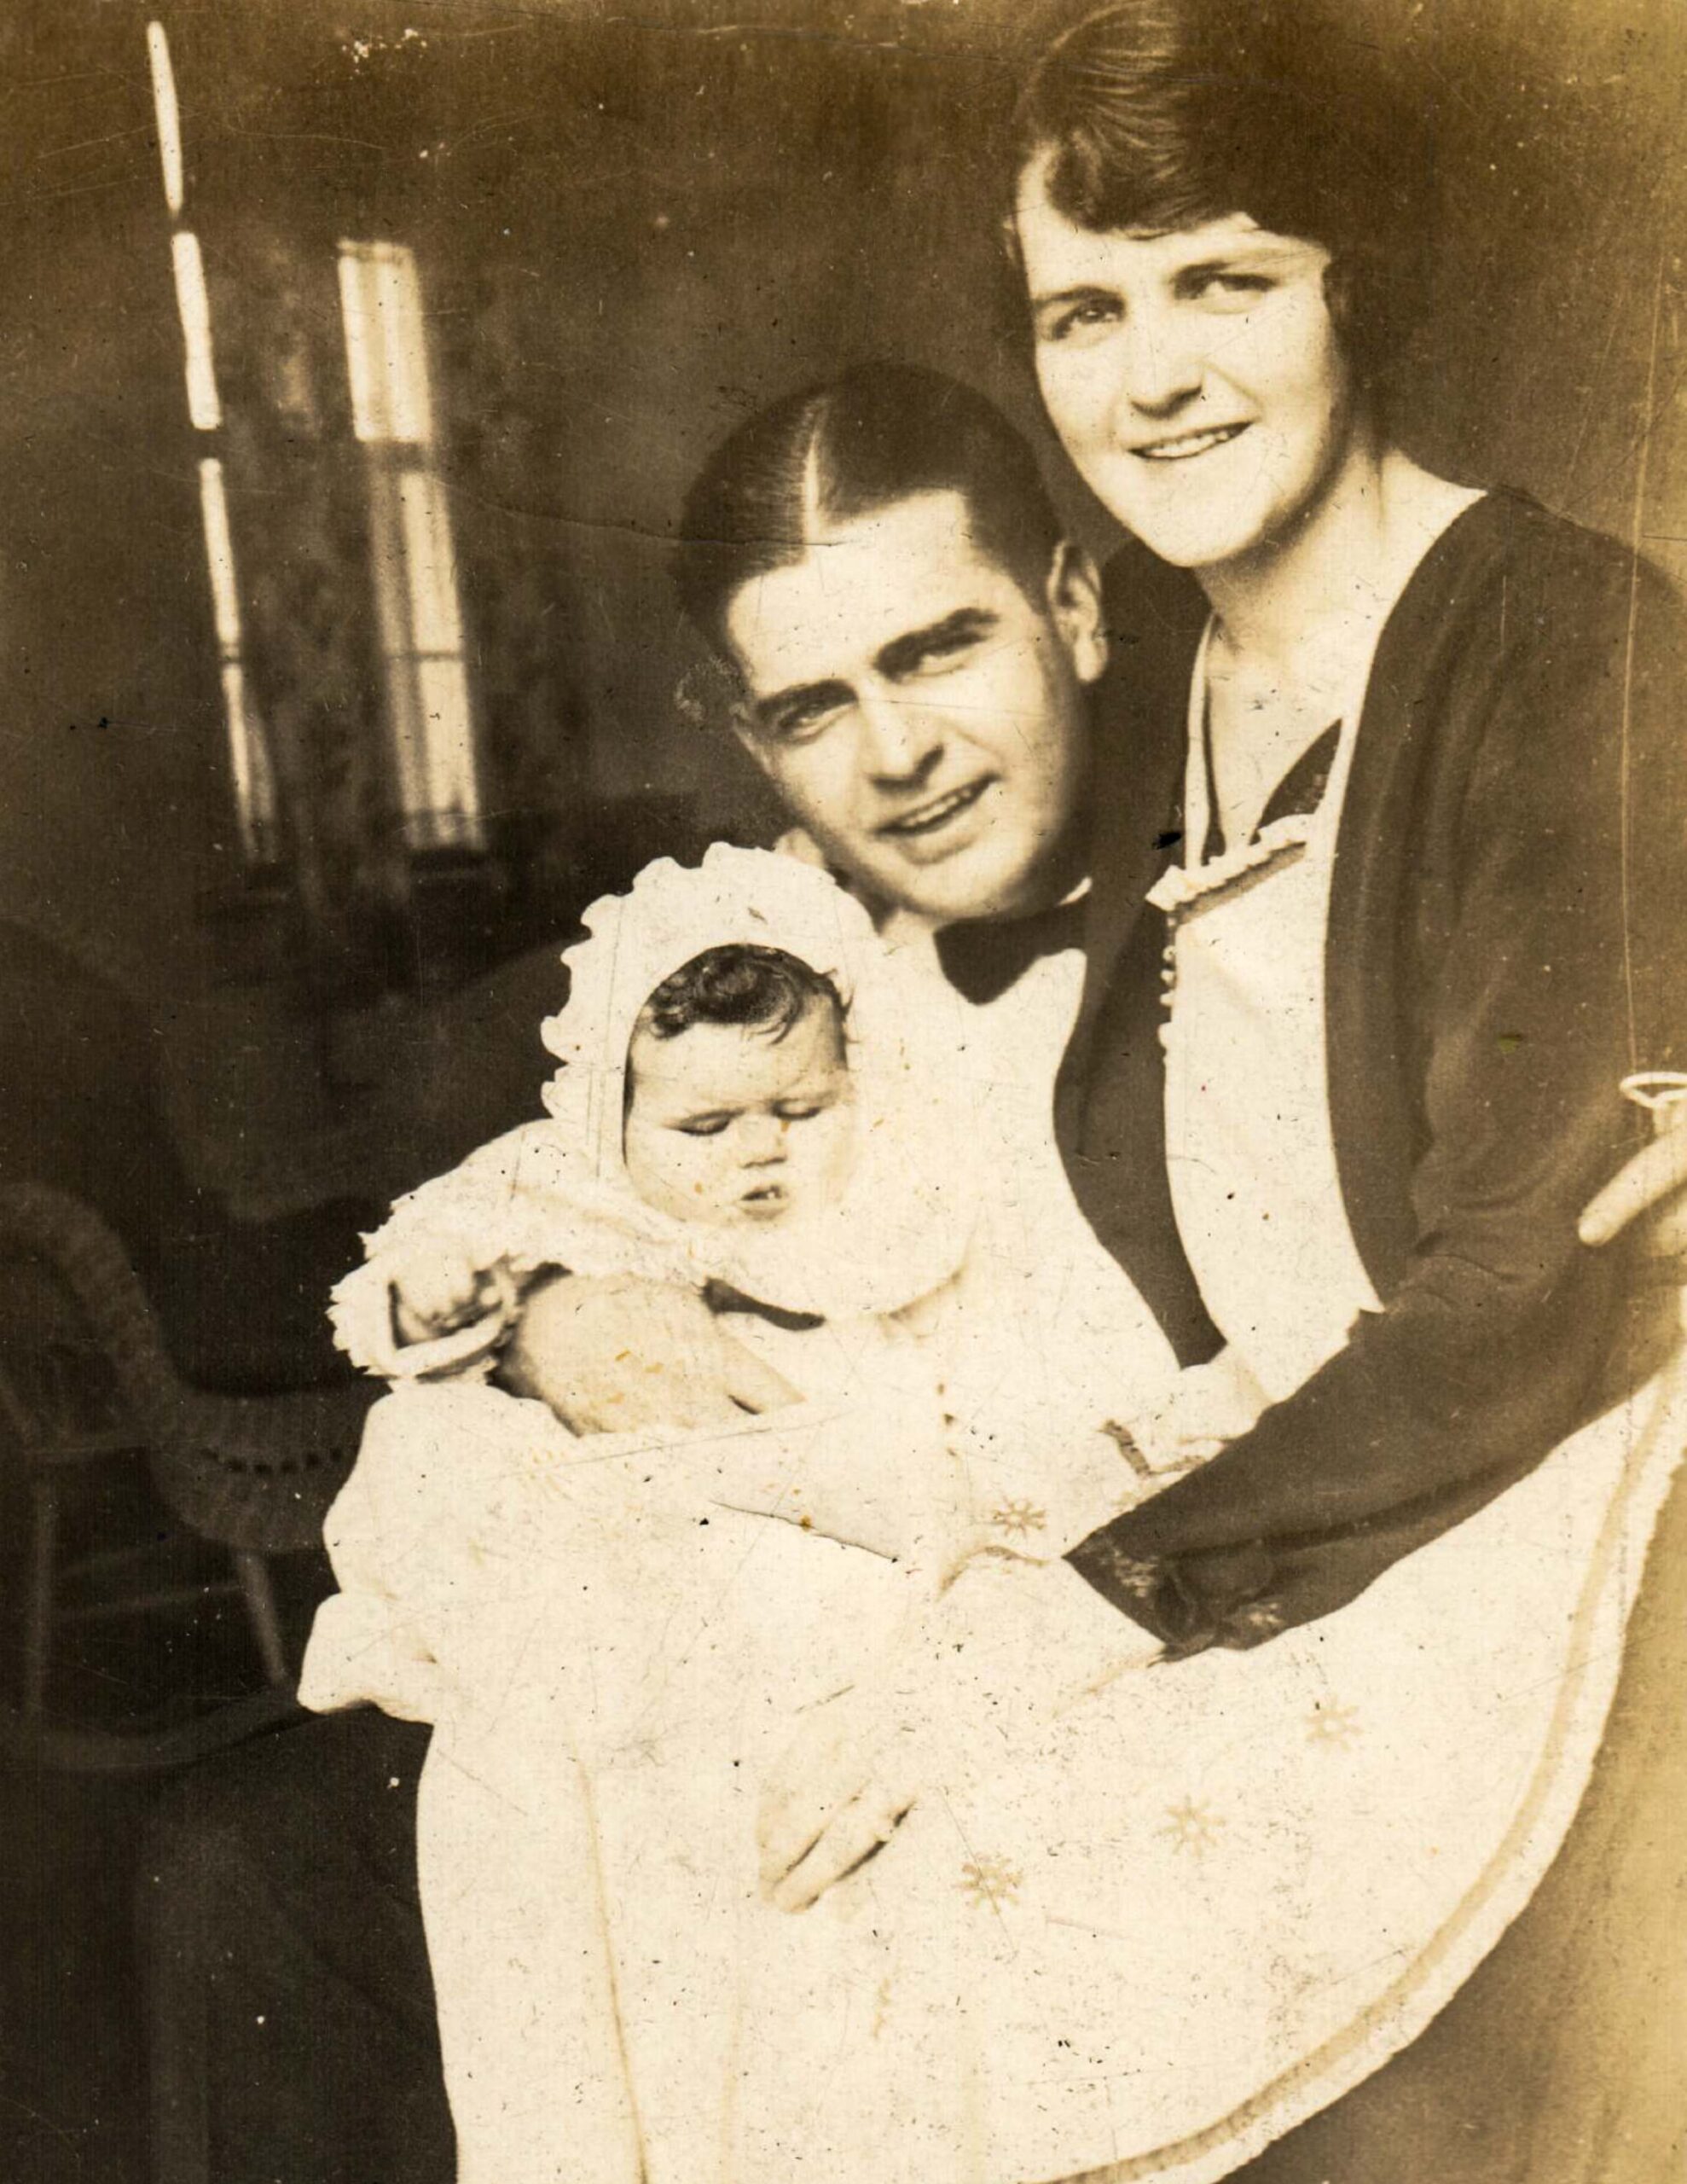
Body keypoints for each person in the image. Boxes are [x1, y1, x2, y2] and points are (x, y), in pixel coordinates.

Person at [141, 164, 1684, 2184]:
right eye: (813, 707)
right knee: (232, 1858)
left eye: (939, 651)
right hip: (763, 1596)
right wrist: (539, 1312)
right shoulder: (786, 955)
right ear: (752, 739)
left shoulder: (1232, 877)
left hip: (1123, 1584)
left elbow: (1473, 1189)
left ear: (1069, 610)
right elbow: (549, 1188)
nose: (899, 755)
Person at [299, 842, 1234, 2183]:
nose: (756, 1151)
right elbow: (422, 1271)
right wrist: (450, 1303)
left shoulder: (893, 1205)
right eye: (702, 1128)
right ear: (614, 1109)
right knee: (448, 1452)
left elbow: (962, 1402)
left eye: (798, 1108)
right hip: (623, 1536)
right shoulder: (568, 1192)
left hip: (810, 1531)